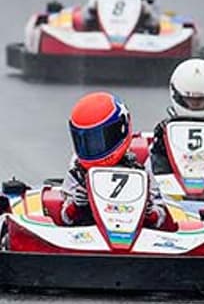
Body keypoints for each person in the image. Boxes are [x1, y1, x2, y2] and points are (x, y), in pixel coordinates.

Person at [60, 92, 171, 229]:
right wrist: (75, 205)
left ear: (120, 130)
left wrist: (149, 211)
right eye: (87, 141)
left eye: (98, 140)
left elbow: (161, 215)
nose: (93, 147)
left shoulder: (141, 169)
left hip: (138, 234)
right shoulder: (78, 172)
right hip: (88, 232)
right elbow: (64, 217)